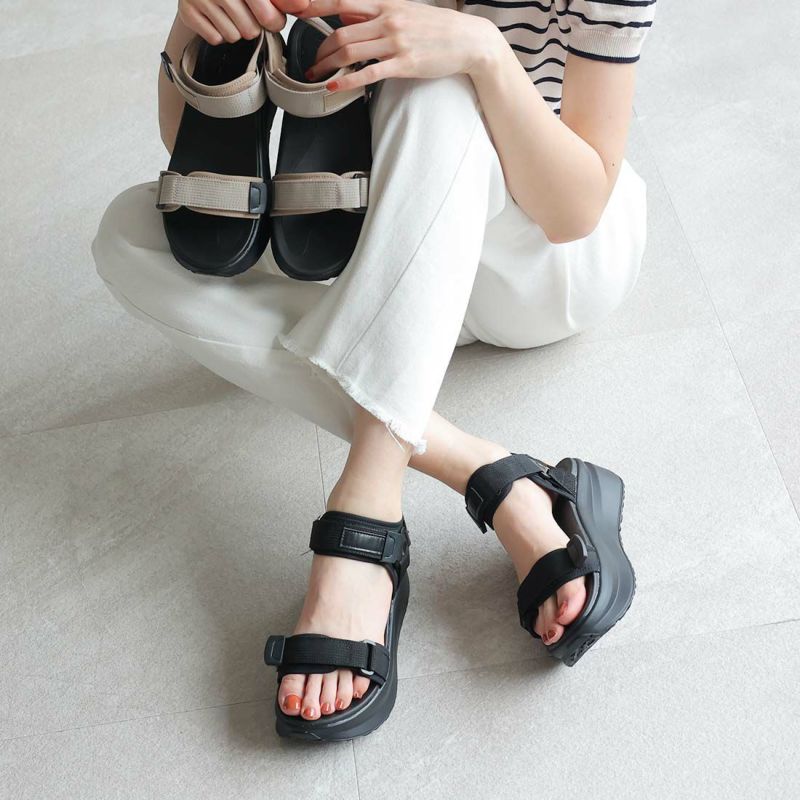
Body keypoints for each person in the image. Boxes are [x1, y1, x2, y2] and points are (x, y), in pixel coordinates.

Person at [92, 0, 655, 727]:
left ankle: (365, 512)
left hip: (541, 260)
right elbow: (204, 161)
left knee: (434, 83)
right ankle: (491, 474)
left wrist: (484, 52)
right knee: (129, 235)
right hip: (385, 247)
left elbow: (574, 210)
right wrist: (197, 24)